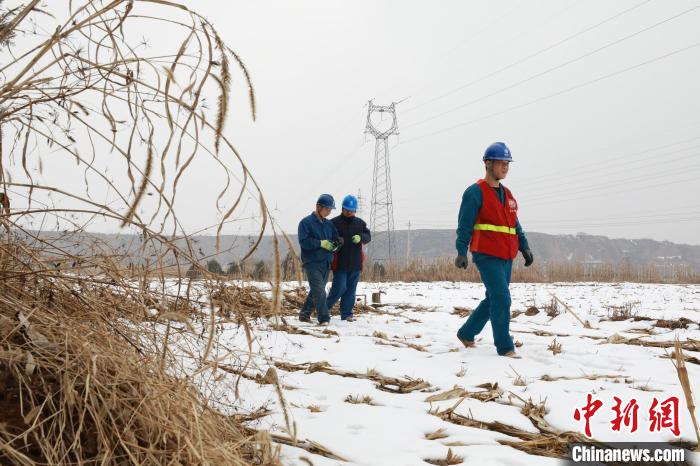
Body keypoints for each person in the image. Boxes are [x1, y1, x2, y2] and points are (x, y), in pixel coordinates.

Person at [454, 142, 534, 358]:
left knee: (494, 298)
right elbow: (464, 224)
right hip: (486, 255)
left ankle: (466, 333)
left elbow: (514, 224)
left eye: (508, 163)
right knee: (502, 298)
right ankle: (505, 347)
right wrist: (461, 251)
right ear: (488, 163)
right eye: (501, 162)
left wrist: (524, 247)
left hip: (506, 255)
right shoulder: (474, 193)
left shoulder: (508, 194)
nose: (505, 167)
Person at [325, 195, 371, 322]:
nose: (348, 212)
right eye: (346, 210)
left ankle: (346, 314)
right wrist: (336, 240)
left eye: (351, 210)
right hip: (340, 263)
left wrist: (361, 237)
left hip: (355, 263)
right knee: (339, 287)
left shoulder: (360, 223)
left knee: (350, 290)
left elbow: (368, 236)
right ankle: (324, 309)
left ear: (355, 210)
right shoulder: (333, 223)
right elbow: (328, 237)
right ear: (342, 208)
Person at [298, 194, 341, 325]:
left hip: (326, 262)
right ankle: (324, 318)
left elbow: (336, 238)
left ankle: (304, 314)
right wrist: (320, 243)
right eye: (327, 209)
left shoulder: (329, 224)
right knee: (320, 291)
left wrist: (336, 244)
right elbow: (304, 242)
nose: (329, 212)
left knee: (317, 290)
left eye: (330, 210)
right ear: (318, 207)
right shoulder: (305, 223)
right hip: (312, 262)